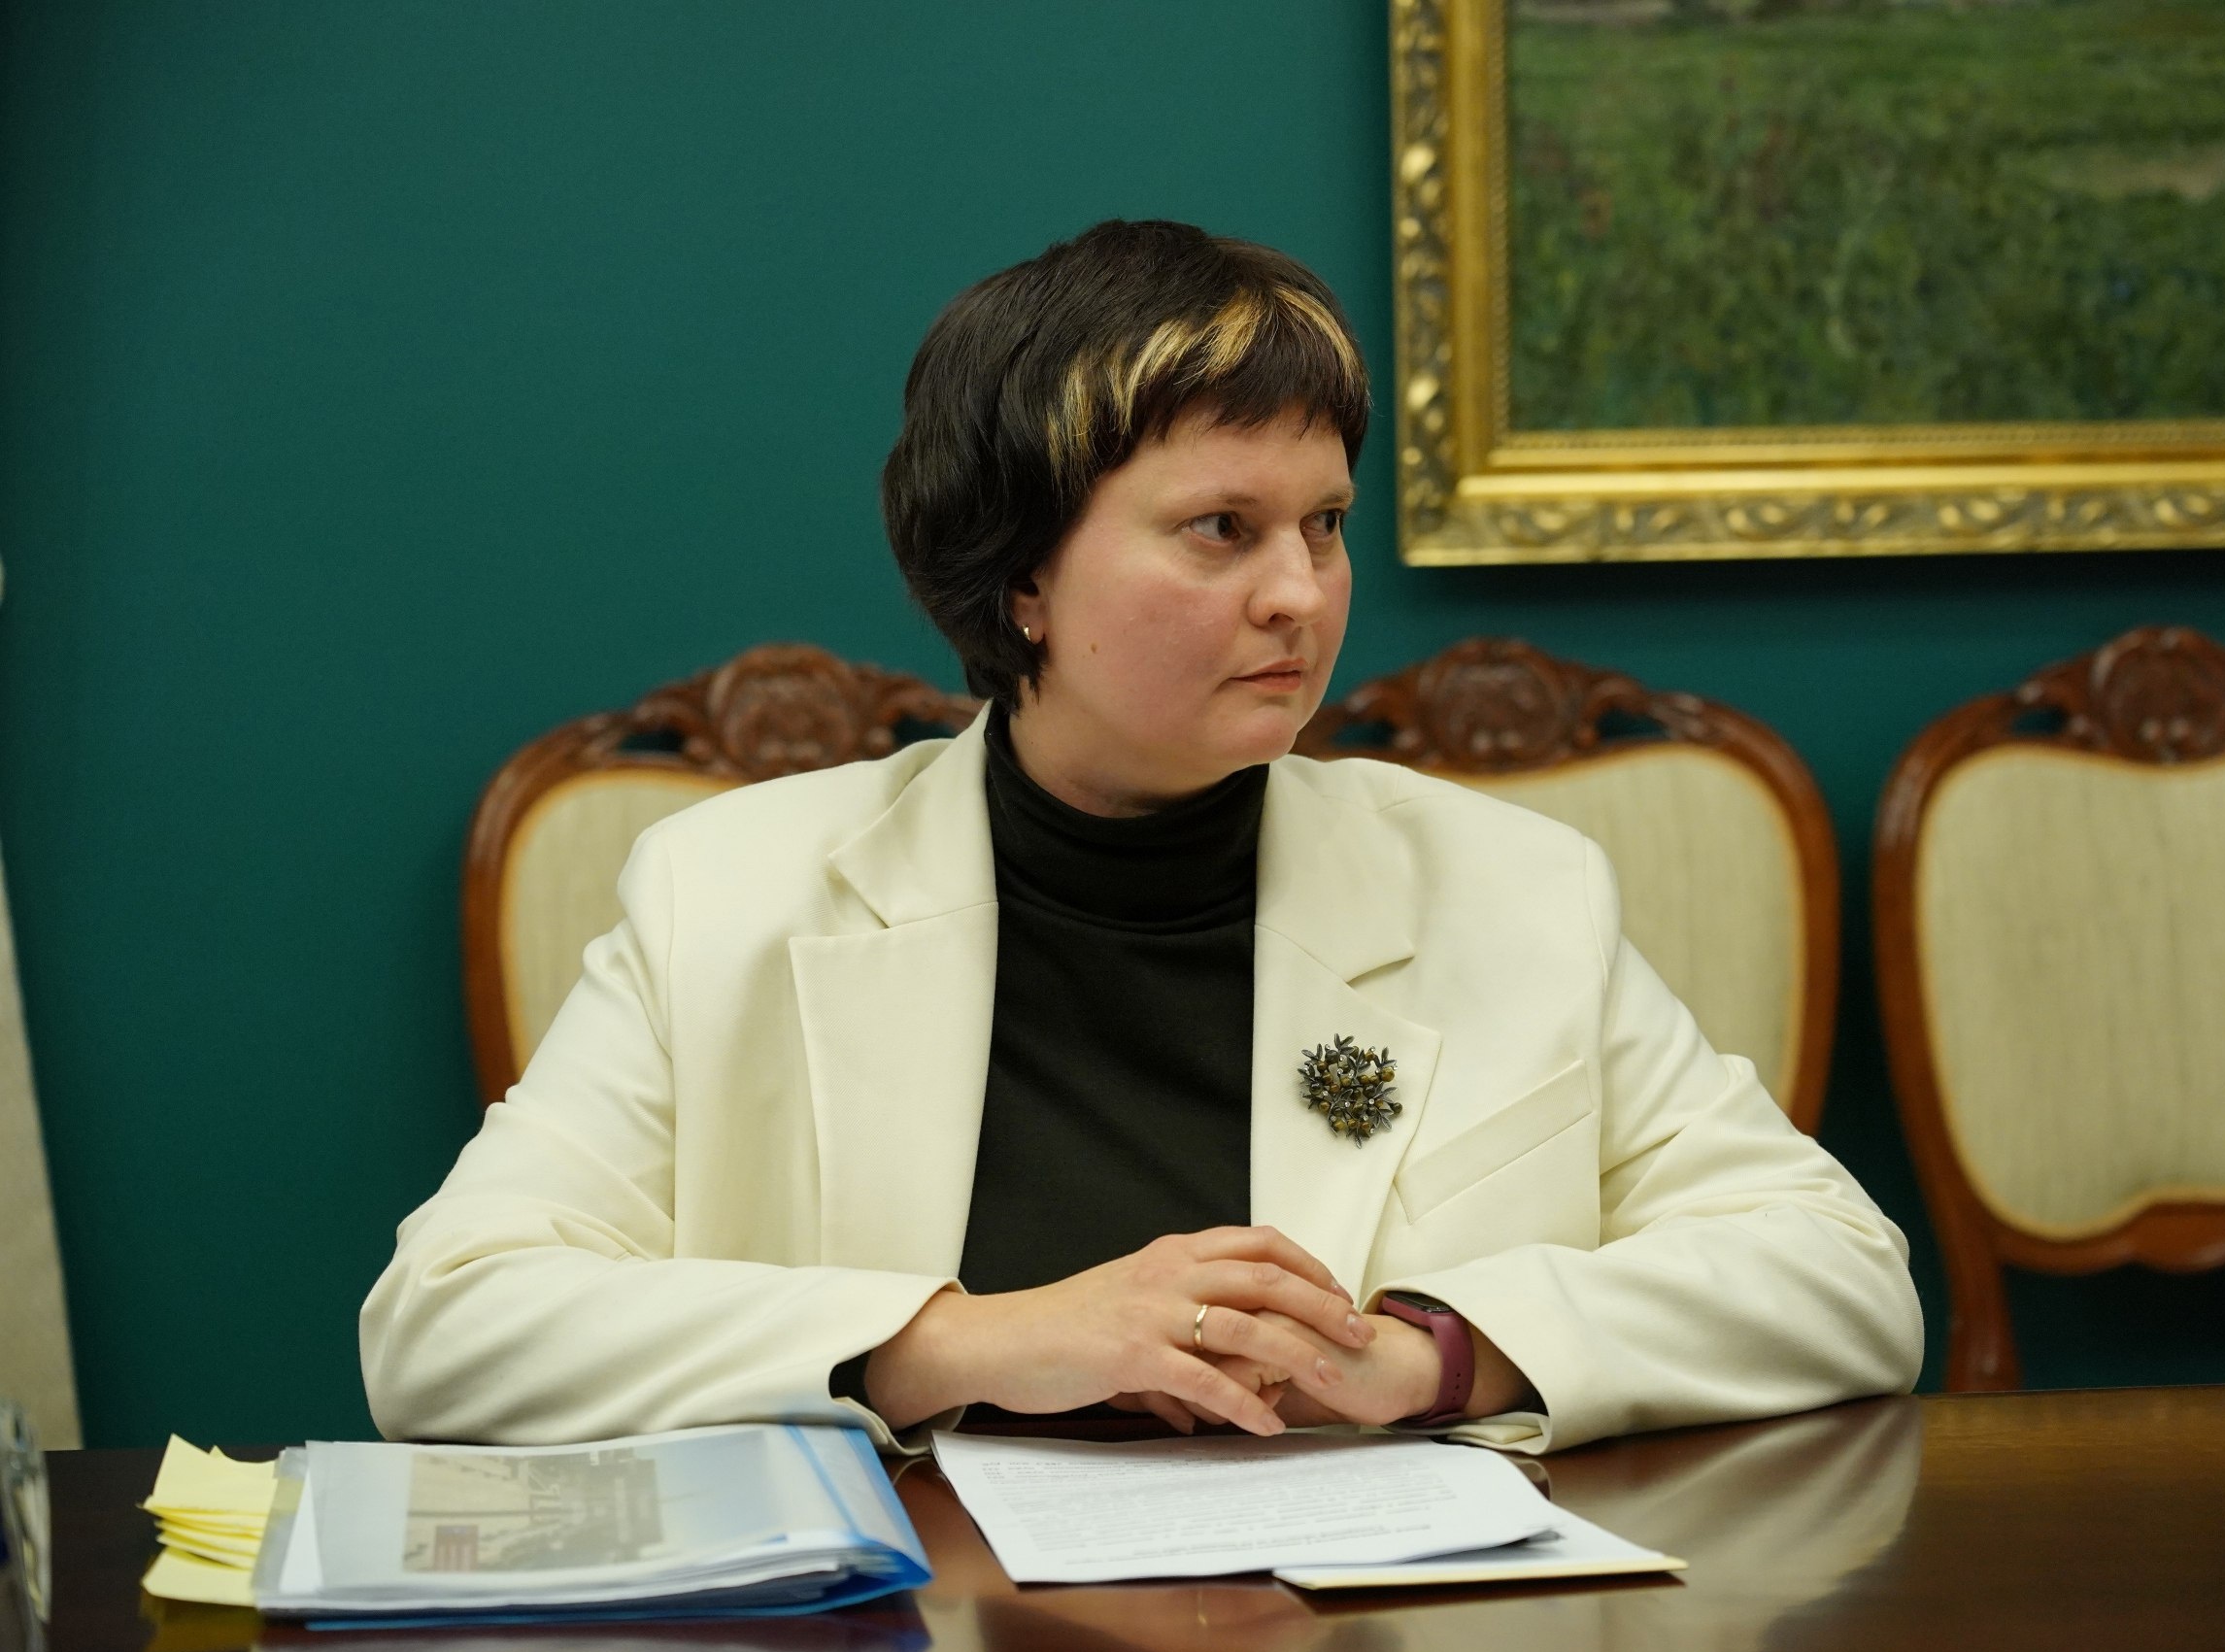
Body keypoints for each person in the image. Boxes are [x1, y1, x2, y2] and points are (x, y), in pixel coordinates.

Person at [361, 219, 1921, 1454]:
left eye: (1325, 525)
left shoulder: (1511, 890)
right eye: (1221, 529)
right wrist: (958, 1341)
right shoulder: (730, 892)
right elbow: (445, 1324)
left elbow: (1841, 1277)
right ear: (1022, 576)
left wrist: (1435, 1353)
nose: (1302, 595)